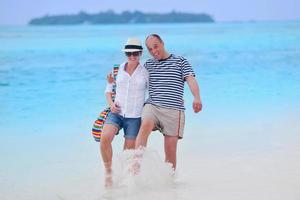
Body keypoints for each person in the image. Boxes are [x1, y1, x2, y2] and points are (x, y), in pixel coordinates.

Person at [135, 34, 202, 170]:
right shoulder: (148, 65)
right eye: (150, 49)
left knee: (170, 153)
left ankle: (169, 185)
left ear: (162, 43)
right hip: (153, 106)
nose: (154, 51)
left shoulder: (180, 61)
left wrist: (196, 97)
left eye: (156, 47)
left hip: (173, 110)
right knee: (146, 123)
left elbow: (191, 79)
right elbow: (134, 81)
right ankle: (136, 165)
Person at [100, 38, 148, 187]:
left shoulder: (146, 72)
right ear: (125, 53)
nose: (132, 56)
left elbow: (155, 91)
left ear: (140, 53)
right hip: (117, 113)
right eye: (129, 53)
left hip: (135, 117)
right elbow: (108, 91)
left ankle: (124, 185)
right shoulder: (117, 69)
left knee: (128, 154)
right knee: (105, 139)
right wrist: (111, 104)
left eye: (135, 53)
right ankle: (108, 173)